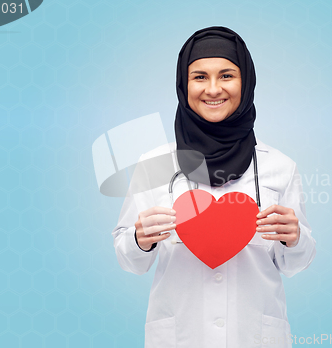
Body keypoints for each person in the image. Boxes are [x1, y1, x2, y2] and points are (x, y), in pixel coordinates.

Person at [112, 26, 316, 348]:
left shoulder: (280, 166)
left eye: (226, 75)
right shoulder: (155, 164)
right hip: (180, 337)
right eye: (200, 77)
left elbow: (294, 264)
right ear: (184, 84)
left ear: (245, 82)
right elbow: (130, 261)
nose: (213, 89)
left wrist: (296, 238)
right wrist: (139, 240)